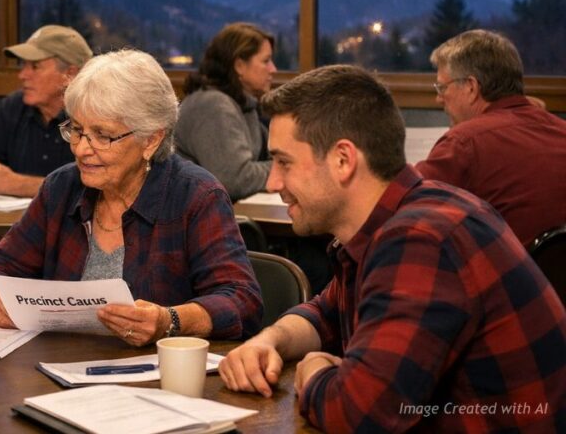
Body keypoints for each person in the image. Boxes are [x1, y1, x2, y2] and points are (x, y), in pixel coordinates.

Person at [218, 64, 566, 432]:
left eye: (283, 161)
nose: (273, 181)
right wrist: (269, 340)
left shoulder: (421, 240)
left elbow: (360, 414)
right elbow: (329, 312)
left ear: (343, 160)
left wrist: (315, 371)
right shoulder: (398, 219)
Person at [0, 50, 263, 345]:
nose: (81, 149)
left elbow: (242, 300)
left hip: (154, 381)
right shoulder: (62, 188)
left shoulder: (195, 197)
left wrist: (168, 320)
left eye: (103, 135)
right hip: (54, 374)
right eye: (77, 130)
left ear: (151, 139)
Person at [417, 29, 566, 246]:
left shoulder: (463, 144)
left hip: (502, 278)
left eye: (442, 87)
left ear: (471, 87)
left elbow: (400, 204)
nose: (439, 99)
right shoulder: (560, 130)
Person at [0, 24, 93, 197]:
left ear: (70, 74)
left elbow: (99, 189)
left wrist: (19, 185)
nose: (22, 75)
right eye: (24, 65)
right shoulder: (14, 107)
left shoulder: (95, 116)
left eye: (35, 67)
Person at [175, 22, 275, 201]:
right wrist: (287, 168)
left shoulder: (242, 103)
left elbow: (270, 153)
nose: (273, 70)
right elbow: (235, 180)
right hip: (189, 222)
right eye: (265, 61)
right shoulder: (213, 106)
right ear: (239, 66)